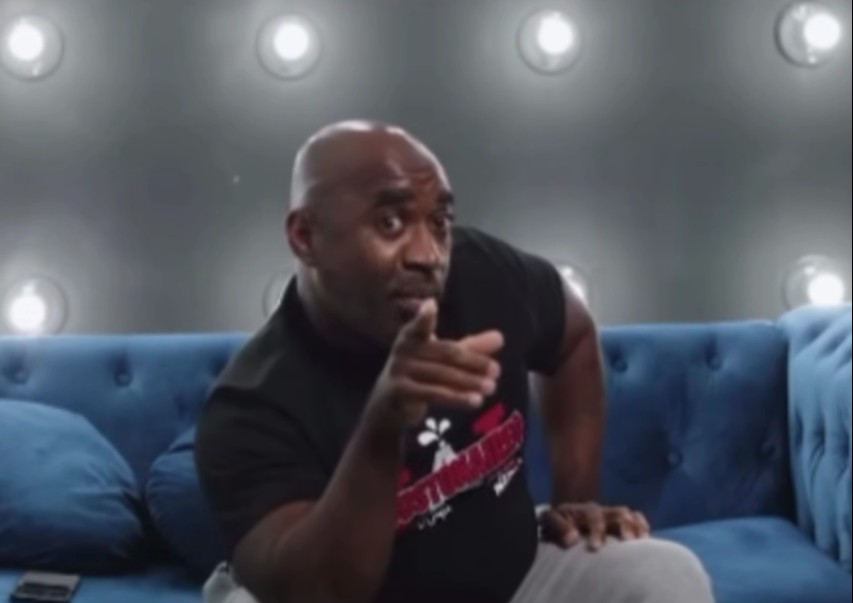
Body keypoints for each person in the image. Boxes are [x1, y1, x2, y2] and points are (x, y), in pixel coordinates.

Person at [195, 120, 715, 603]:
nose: (428, 256)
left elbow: (573, 335)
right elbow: (323, 591)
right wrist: (383, 424)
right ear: (306, 237)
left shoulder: (483, 275)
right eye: (390, 222)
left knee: (665, 573)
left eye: (439, 222)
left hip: (512, 581)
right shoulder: (250, 405)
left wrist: (574, 502)